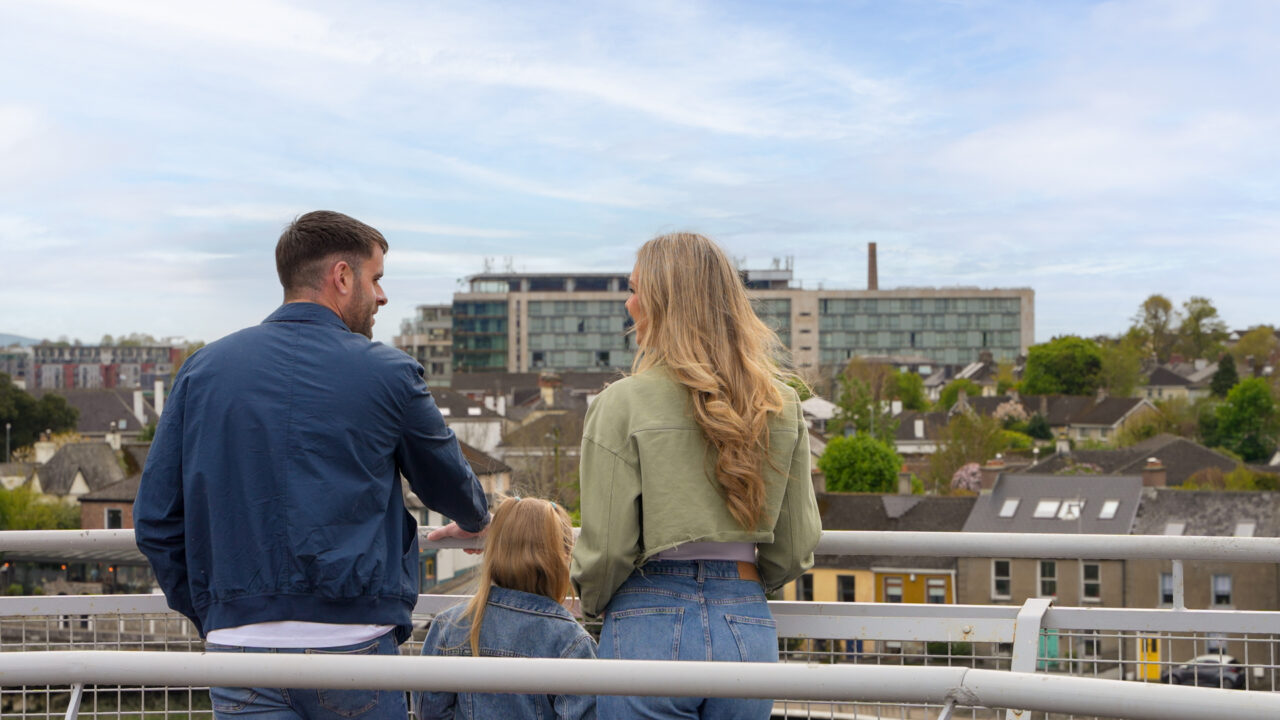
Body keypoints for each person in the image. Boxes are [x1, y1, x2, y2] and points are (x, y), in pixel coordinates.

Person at [134, 210, 490, 720]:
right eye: (377, 279)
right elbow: (448, 482)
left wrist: (220, 613)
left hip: (238, 651)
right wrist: (479, 519)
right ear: (342, 277)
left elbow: (155, 521)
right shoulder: (388, 372)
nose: (382, 296)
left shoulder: (203, 370)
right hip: (355, 642)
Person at [570, 232, 822, 719]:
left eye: (635, 289)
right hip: (745, 626)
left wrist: (593, 605)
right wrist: (740, 582)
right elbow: (794, 545)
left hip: (648, 619)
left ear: (663, 302)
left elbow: (606, 552)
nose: (629, 303)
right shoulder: (779, 403)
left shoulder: (619, 404)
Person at [416, 496, 597, 720]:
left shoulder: (450, 626)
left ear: (493, 550)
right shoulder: (573, 642)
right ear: (563, 558)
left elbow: (430, 711)